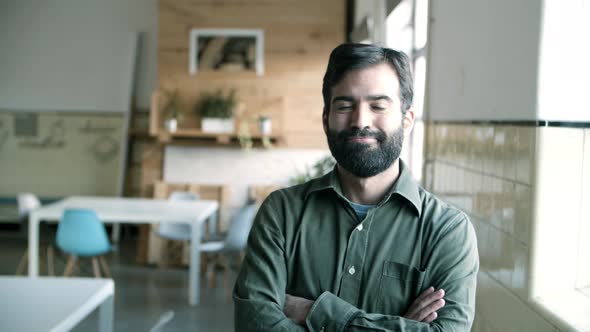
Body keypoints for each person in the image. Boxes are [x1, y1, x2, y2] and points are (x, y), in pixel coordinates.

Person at [233, 43, 479, 331]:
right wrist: (399, 326)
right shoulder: (282, 213)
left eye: (378, 106)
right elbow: (255, 325)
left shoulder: (447, 231)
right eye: (345, 106)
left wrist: (318, 311)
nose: (360, 121)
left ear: (407, 119)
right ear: (326, 119)